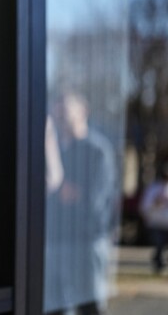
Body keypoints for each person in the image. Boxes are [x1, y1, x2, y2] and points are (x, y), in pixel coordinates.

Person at [43, 91, 117, 315]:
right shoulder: (55, 150)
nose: (61, 112)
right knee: (56, 306)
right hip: (57, 242)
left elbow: (93, 201)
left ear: (83, 110)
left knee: (89, 305)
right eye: (58, 107)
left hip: (87, 243)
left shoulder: (98, 151)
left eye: (66, 106)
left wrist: (63, 190)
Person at [139, 159, 168, 273]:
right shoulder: (153, 188)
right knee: (159, 244)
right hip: (155, 222)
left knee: (162, 245)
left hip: (166, 222)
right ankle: (158, 263)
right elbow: (145, 205)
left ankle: (159, 260)